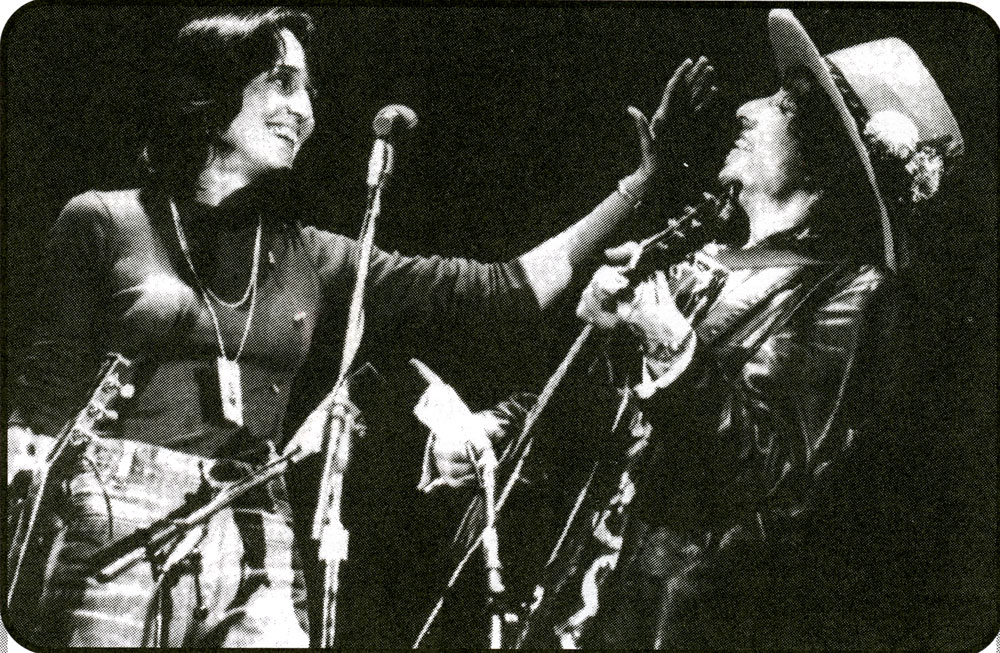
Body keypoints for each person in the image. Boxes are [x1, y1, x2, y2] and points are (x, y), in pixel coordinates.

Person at [4, 7, 716, 648]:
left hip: (254, 520)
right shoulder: (104, 220)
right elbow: (38, 413)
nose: (303, 109)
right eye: (281, 83)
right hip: (115, 512)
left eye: (309, 91)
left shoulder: (309, 254)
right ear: (214, 92)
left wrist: (638, 188)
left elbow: (500, 290)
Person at [426, 9, 964, 649]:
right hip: (572, 598)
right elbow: (603, 410)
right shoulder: (702, 257)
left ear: (826, 158)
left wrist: (675, 351)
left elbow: (771, 470)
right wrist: (495, 431)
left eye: (783, 105)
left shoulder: (850, 292)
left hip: (677, 619)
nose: (747, 110)